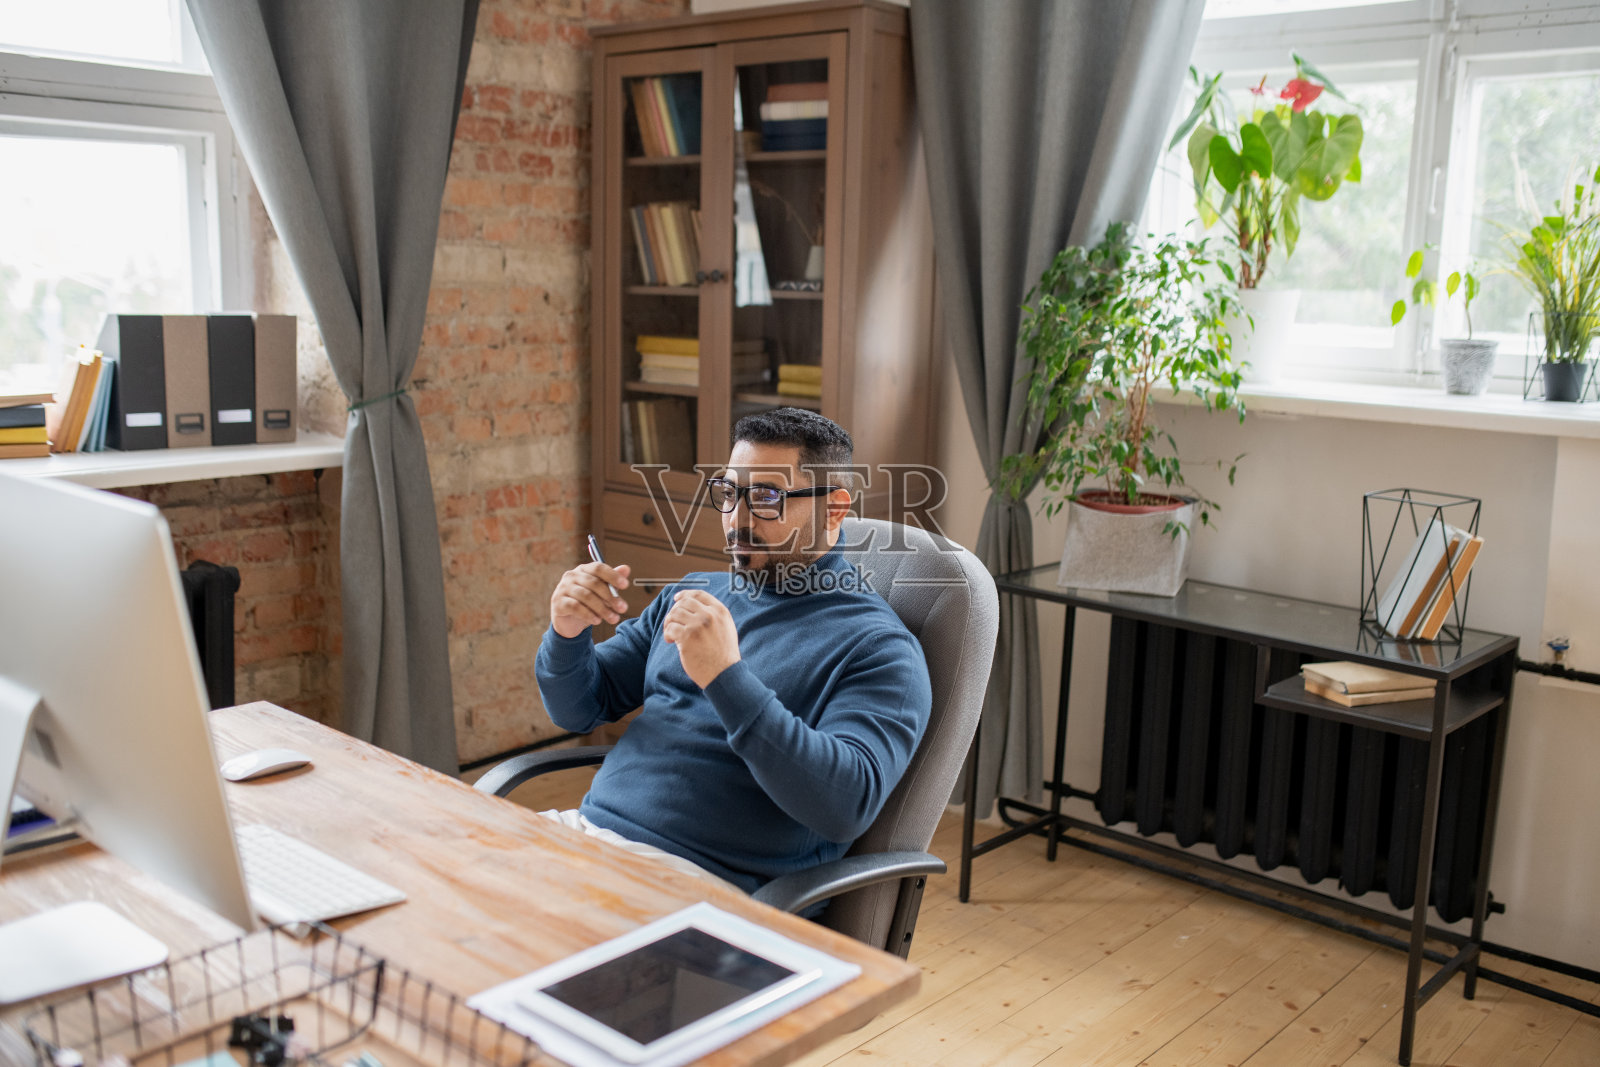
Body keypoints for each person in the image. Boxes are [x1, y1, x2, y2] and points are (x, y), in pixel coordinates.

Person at [535, 408, 933, 896]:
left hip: (692, 883)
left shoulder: (881, 651)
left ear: (833, 508)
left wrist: (725, 678)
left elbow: (845, 806)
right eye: (729, 493)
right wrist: (568, 632)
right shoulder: (693, 595)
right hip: (581, 836)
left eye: (765, 498)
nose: (737, 520)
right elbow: (577, 709)